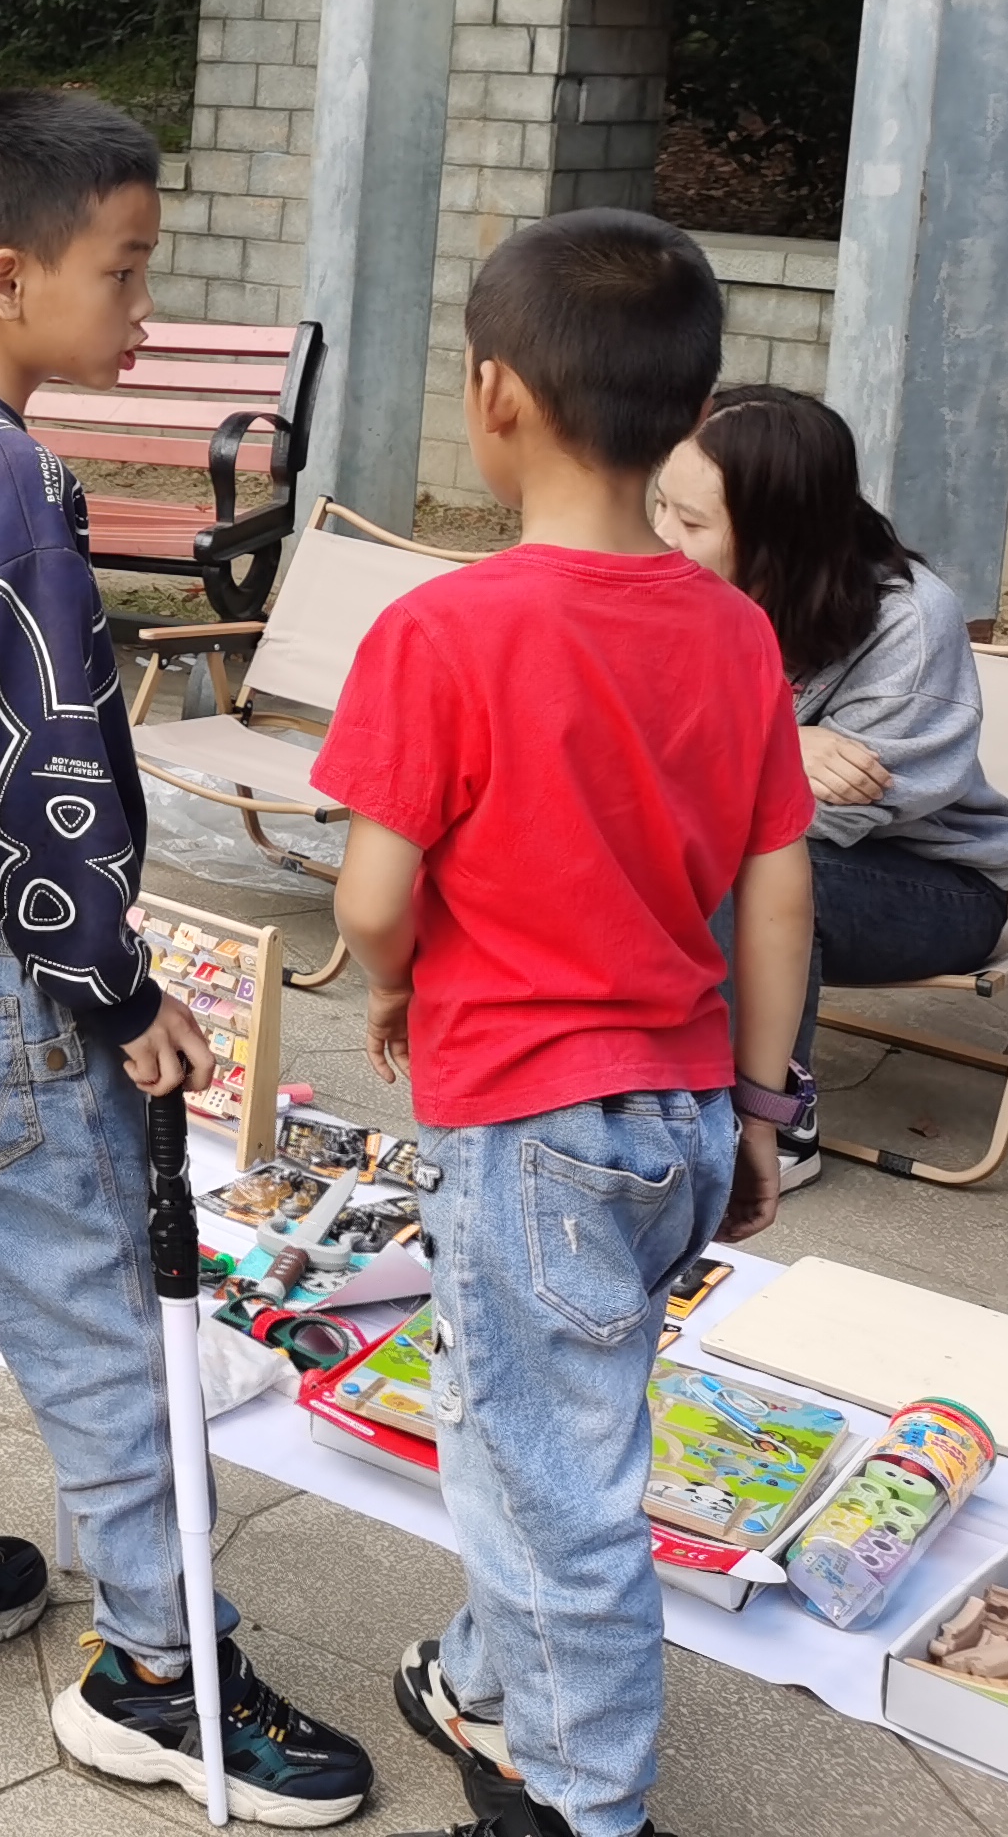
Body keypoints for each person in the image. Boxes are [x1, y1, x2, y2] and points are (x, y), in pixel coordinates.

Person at [0, 88, 374, 1823]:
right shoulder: (10, 482)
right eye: (124, 272)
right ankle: (159, 1673)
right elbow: (33, 780)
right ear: (6, 276)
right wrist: (115, 995)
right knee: (104, 1304)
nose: (146, 310)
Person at [309, 210, 814, 1837]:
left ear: (493, 396)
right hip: (679, 1114)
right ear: (691, 413)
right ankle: (480, 1682)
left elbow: (371, 898)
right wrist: (760, 1109)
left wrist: (392, 981)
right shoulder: (735, 634)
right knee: (541, 1431)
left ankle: (586, 1803)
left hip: (530, 1131)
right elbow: (777, 897)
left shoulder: (441, 631)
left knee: (551, 1473)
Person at [652, 384, 1008, 1190]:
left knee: (756, 869)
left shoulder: (909, 623)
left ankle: (776, 1120)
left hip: (935, 883)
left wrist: (734, 751)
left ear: (778, 536)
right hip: (752, 838)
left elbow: (827, 816)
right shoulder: (678, 587)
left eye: (691, 523)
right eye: (660, 508)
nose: (661, 539)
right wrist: (782, 743)